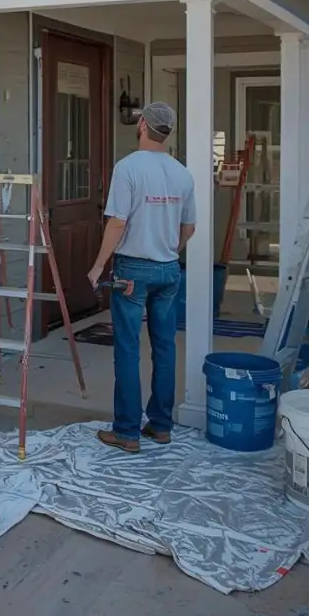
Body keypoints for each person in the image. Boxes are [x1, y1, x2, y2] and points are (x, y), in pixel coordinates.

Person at [86, 101, 196, 454]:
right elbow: (189, 226)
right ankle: (161, 426)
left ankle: (127, 432)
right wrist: (168, 250)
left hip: (133, 270)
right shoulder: (182, 173)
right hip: (168, 269)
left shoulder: (128, 167)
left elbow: (117, 222)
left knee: (129, 349)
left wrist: (99, 264)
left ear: (143, 126)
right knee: (165, 347)